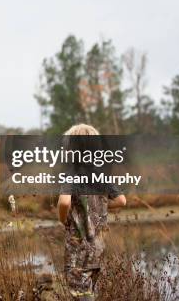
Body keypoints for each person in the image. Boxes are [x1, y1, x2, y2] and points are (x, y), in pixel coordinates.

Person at [57, 124, 126, 301]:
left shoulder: (70, 174)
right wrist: (99, 208)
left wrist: (62, 220)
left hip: (78, 250)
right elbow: (121, 200)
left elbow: (64, 202)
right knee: (89, 293)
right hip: (97, 248)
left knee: (81, 295)